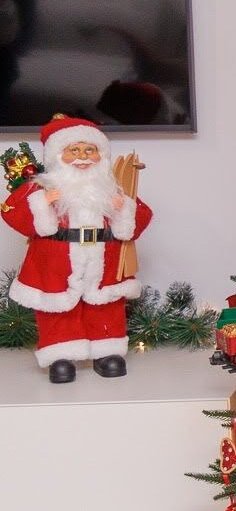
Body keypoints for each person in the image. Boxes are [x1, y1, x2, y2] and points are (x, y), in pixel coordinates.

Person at [3, 115, 152, 383]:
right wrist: (42, 202)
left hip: (104, 260)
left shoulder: (111, 189)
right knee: (58, 308)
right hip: (55, 261)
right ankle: (60, 355)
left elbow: (141, 216)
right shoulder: (41, 187)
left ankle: (106, 351)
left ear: (100, 155)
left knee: (105, 305)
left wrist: (123, 208)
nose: (82, 157)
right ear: (58, 155)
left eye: (89, 150)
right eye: (74, 150)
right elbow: (11, 212)